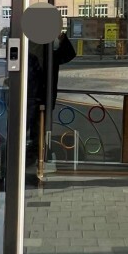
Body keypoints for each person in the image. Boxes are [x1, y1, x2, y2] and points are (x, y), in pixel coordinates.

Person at [25, 32, 76, 167]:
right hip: (32, 98)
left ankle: (35, 159)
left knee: (37, 131)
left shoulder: (49, 56)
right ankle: (31, 159)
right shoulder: (30, 56)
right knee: (29, 130)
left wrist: (62, 38)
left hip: (40, 98)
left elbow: (68, 54)